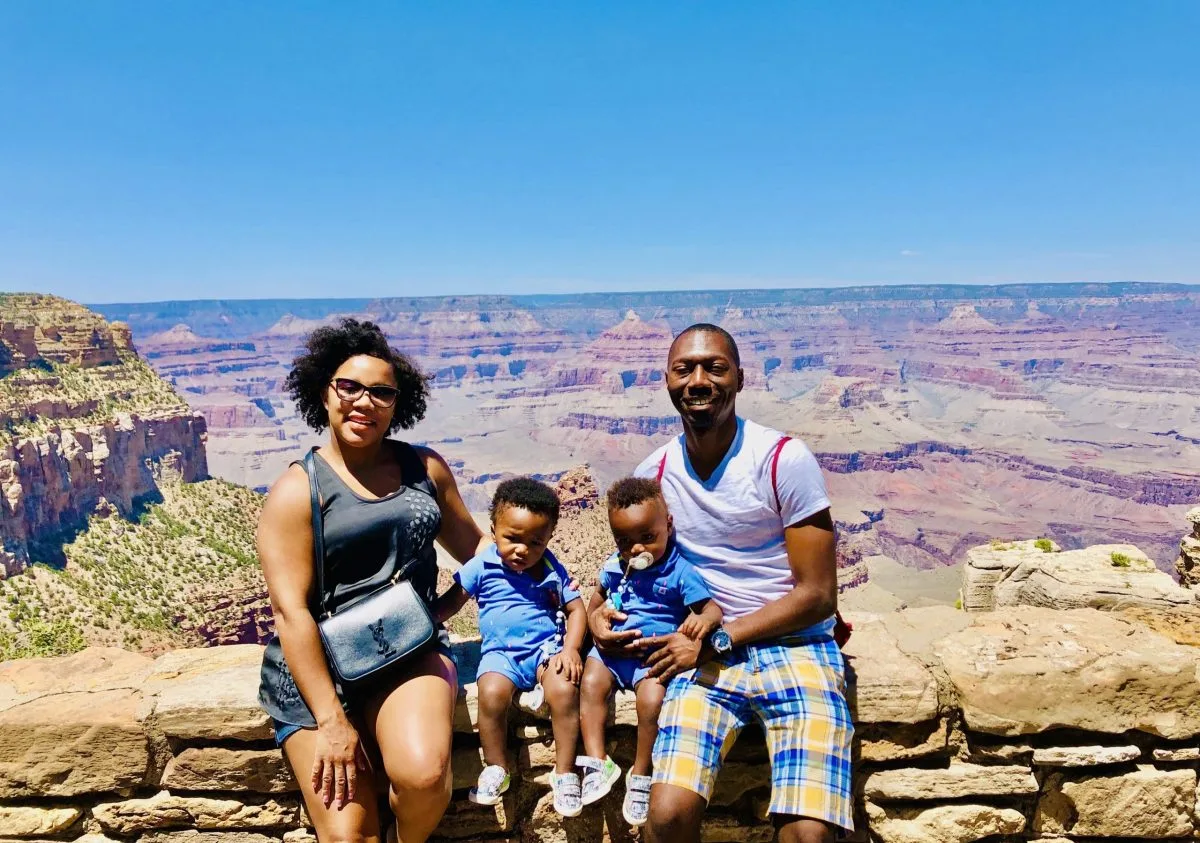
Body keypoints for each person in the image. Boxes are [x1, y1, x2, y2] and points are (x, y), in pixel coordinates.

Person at [589, 324, 854, 843]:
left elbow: (819, 594)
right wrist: (600, 613)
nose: (698, 380)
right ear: (666, 380)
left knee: (807, 835)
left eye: (715, 367)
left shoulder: (782, 459)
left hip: (794, 647)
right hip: (703, 656)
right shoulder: (656, 473)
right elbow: (634, 559)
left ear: (740, 378)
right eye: (684, 368)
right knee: (665, 818)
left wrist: (716, 639)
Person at [257, 318, 487, 843]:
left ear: (398, 403)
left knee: (425, 777)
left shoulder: (424, 468)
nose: (365, 402)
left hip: (405, 651)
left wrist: (449, 606)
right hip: (319, 674)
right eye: (350, 387)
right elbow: (291, 614)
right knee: (348, 837)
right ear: (325, 392)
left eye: (381, 392)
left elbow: (479, 552)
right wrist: (332, 721)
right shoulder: (297, 492)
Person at [577, 477, 722, 827]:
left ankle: (641, 774)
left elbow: (712, 609)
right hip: (613, 654)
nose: (637, 550)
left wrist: (702, 624)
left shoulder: (680, 571)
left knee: (652, 702)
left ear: (668, 526)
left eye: (647, 538)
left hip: (651, 660)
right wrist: (597, 620)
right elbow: (594, 603)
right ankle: (599, 762)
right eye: (624, 541)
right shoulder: (615, 566)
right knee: (591, 683)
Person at [438, 477, 588, 817]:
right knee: (490, 693)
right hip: (500, 655)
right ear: (493, 530)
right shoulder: (481, 565)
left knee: (564, 691)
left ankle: (564, 773)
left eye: (535, 542)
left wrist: (571, 649)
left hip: (545, 650)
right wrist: (424, 618)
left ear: (549, 538)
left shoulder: (550, 567)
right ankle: (496, 768)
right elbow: (452, 602)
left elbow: (576, 610)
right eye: (512, 539)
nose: (523, 549)